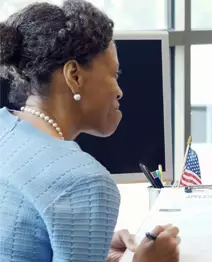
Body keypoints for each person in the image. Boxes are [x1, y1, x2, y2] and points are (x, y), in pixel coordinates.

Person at [0, 0, 180, 261]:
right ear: (74, 75)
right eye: (114, 74)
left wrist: (94, 247)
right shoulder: (85, 182)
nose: (119, 90)